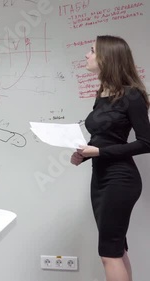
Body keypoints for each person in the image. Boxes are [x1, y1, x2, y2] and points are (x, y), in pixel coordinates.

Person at [71, 35, 150, 281]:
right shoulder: (102, 93)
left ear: (107, 57)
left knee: (109, 252)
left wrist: (101, 152)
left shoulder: (132, 95)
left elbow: (146, 142)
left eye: (92, 50)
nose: (87, 54)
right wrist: (83, 155)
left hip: (120, 180)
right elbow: (104, 138)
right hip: (101, 178)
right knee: (115, 248)